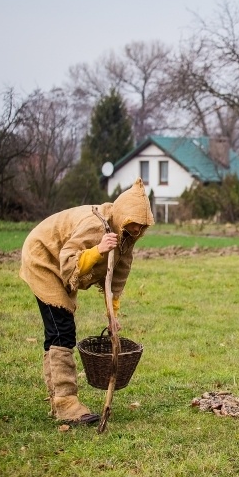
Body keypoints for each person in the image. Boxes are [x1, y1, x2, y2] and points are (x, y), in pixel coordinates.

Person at [20, 178, 154, 424]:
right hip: (44, 257)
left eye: (141, 226)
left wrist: (112, 316)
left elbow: (117, 279)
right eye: (133, 224)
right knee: (62, 330)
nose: (136, 230)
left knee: (58, 330)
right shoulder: (96, 226)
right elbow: (68, 260)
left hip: (57, 262)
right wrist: (98, 250)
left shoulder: (125, 238)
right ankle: (65, 403)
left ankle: (58, 398)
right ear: (123, 216)